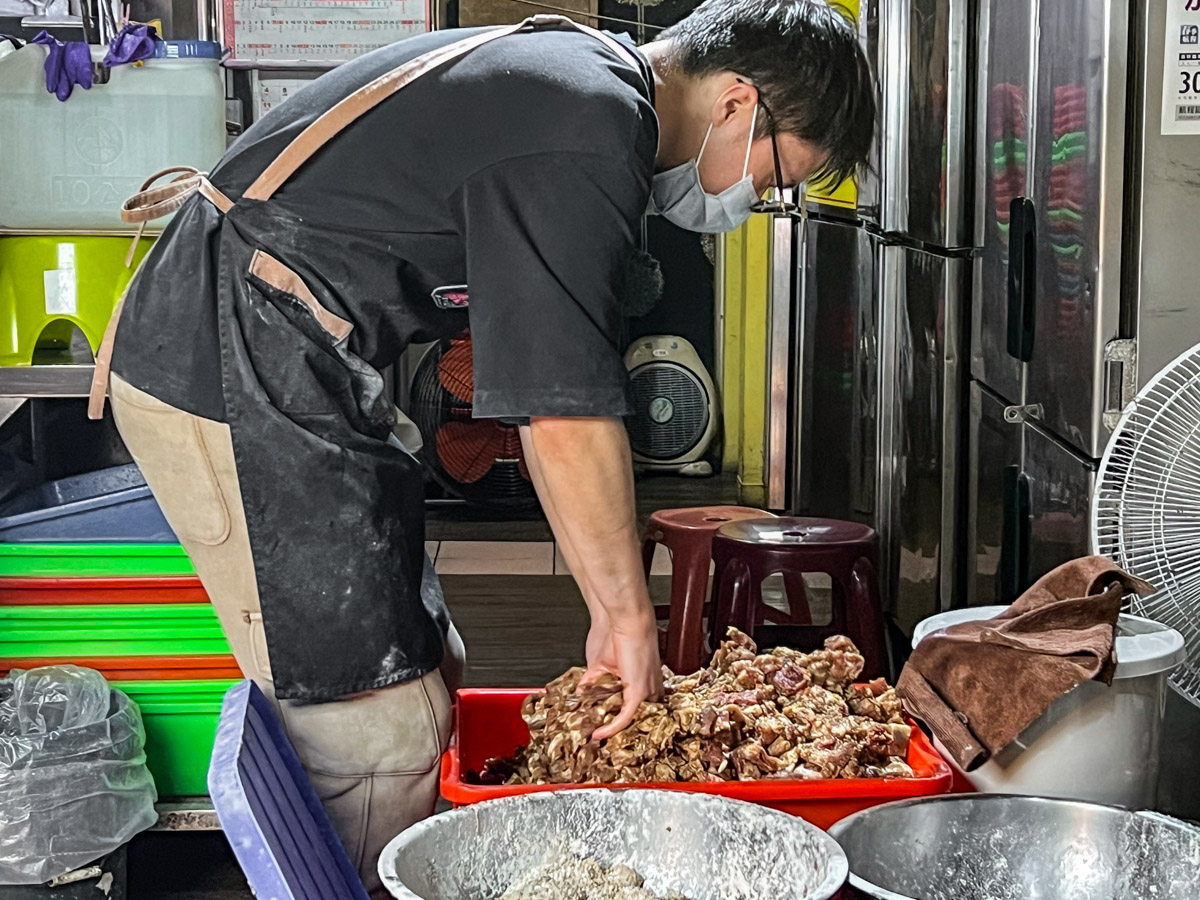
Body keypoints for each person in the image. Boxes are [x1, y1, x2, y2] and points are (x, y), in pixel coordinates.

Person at [97, 0, 874, 892]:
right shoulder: (584, 130)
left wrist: (611, 610)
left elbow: (547, 401)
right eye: (775, 177)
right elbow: (567, 419)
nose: (750, 202)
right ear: (738, 103)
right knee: (380, 720)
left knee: (433, 668)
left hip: (300, 362)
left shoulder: (583, 82)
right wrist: (626, 622)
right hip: (232, 362)